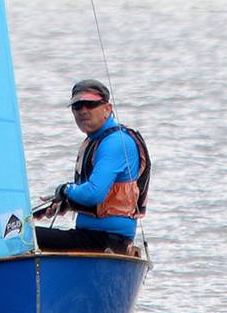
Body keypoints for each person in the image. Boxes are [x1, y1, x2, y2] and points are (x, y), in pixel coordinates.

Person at [32, 79, 149, 253]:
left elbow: (94, 193)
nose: (83, 110)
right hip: (91, 236)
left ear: (107, 109)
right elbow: (102, 196)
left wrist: (65, 190)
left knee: (19, 236)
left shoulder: (116, 142)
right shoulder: (95, 141)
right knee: (18, 230)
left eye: (90, 104)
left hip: (107, 240)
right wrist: (64, 203)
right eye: (77, 106)